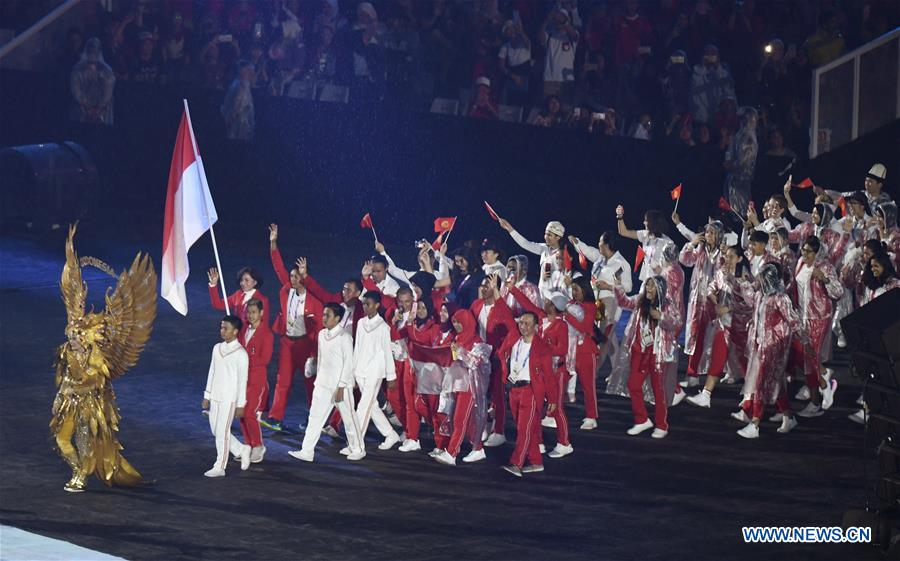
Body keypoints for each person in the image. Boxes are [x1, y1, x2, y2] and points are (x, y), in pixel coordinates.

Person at [52, 226, 154, 491]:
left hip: (90, 405)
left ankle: (81, 477)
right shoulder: (67, 350)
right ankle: (77, 469)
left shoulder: (95, 354)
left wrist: (75, 387)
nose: (73, 338)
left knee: (86, 442)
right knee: (62, 438)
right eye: (71, 334)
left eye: (76, 335)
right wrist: (61, 395)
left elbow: (97, 380)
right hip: (70, 401)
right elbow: (64, 374)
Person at [603, 276, 680, 438]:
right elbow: (624, 302)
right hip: (640, 351)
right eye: (647, 285)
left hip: (658, 353)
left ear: (660, 289)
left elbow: (677, 322)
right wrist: (618, 287)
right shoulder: (640, 300)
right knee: (633, 384)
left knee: (658, 390)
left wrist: (661, 316)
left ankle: (661, 425)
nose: (649, 288)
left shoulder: (666, 304)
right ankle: (642, 419)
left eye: (652, 285)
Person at [263, 225, 323, 432]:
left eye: (296, 277)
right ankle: (275, 418)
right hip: (288, 342)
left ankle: (315, 417)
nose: (292, 279)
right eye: (291, 276)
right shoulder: (286, 290)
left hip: (306, 345)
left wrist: (314, 355)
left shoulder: (314, 300)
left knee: (310, 384)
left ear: (303, 278)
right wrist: (273, 243)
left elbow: (319, 330)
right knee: (283, 380)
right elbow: (278, 267)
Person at [288, 303, 365, 462]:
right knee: (314, 418)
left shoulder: (345, 338)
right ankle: (307, 451)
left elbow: (348, 363)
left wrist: (342, 386)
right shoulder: (322, 335)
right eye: (323, 314)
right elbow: (322, 358)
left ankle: (358, 448)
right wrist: (315, 373)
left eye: (327, 315)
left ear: (337, 318)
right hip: (322, 384)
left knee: (349, 419)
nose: (323, 318)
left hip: (339, 387)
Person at [735, 264, 804, 438]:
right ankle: (789, 416)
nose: (758, 280)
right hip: (760, 345)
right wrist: (743, 284)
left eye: (761, 277)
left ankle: (755, 424)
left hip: (774, 348)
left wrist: (806, 343)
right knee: (775, 383)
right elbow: (750, 302)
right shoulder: (760, 295)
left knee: (761, 384)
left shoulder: (780, 298)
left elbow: (794, 321)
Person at [507, 287, 573, 458]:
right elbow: (526, 304)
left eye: (548, 301)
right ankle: (538, 442)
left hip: (555, 371)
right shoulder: (541, 318)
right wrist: (512, 289)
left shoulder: (561, 325)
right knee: (537, 408)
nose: (544, 302)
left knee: (556, 407)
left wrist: (543, 348)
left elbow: (563, 349)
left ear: (552, 306)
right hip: (538, 371)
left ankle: (564, 442)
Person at [686, 244, 755, 407]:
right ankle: (706, 395)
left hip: (740, 327)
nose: (727, 260)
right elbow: (711, 287)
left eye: (731, 257)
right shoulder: (721, 273)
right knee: (717, 357)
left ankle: (751, 397)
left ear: (739, 259)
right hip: (724, 325)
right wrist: (713, 298)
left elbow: (750, 303)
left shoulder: (744, 278)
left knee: (744, 361)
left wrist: (728, 307)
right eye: (726, 256)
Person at [496, 312, 557, 477]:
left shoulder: (542, 348)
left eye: (528, 323)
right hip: (513, 389)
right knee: (526, 428)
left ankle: (517, 463)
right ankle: (536, 462)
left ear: (536, 326)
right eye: (521, 323)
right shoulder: (514, 340)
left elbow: (549, 376)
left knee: (524, 429)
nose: (523, 326)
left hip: (530, 391)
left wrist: (552, 399)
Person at [434, 309, 492, 465]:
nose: (457, 325)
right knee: (467, 421)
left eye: (459, 322)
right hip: (456, 384)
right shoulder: (455, 338)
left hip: (470, 387)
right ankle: (478, 449)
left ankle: (452, 453)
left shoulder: (477, 341)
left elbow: (477, 362)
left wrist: (459, 352)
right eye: (454, 322)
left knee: (460, 419)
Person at [351, 292, 401, 452]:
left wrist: (391, 376)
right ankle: (391, 434)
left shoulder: (383, 327)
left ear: (377, 305)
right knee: (371, 406)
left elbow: (387, 352)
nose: (365, 307)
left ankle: (355, 444)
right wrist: (352, 372)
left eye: (368, 304)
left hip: (375, 372)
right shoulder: (360, 323)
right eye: (364, 304)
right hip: (360, 370)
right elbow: (357, 348)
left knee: (364, 407)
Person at [471, 274, 517, 447]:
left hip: (497, 356)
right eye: (482, 285)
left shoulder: (501, 308)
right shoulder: (476, 305)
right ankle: (484, 425)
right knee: (481, 394)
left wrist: (501, 353)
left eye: (488, 286)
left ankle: (499, 431)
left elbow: (512, 328)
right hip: (480, 356)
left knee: (498, 395)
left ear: (496, 289)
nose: (483, 289)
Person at [202, 315, 251, 477]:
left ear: (235, 332)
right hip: (215, 395)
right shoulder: (217, 348)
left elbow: (243, 381)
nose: (222, 331)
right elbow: (212, 371)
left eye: (225, 328)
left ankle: (220, 466)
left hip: (229, 399)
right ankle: (242, 449)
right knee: (216, 431)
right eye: (221, 327)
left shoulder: (241, 355)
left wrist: (240, 405)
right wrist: (207, 395)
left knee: (222, 432)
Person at [235, 300, 272, 464]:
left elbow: (265, 359)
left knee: (249, 412)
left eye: (254, 312)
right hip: (241, 378)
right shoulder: (243, 330)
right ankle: (248, 445)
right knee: (241, 413)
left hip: (256, 379)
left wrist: (246, 358)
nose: (250, 315)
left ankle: (258, 445)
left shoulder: (267, 334)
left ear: (261, 313)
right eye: (248, 312)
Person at [563, 275, 601, 430]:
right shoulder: (571, 304)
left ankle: (592, 417)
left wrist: (567, 316)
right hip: (569, 351)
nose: (574, 293)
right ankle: (553, 414)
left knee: (587, 386)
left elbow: (584, 327)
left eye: (576, 290)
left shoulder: (590, 306)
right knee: (559, 382)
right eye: (572, 290)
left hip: (585, 352)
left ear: (585, 290)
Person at [499, 217, 568, 296]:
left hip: (556, 297)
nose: (546, 237)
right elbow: (525, 244)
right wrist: (509, 228)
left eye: (549, 235)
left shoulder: (563, 255)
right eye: (545, 234)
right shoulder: (544, 248)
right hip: (542, 294)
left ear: (558, 237)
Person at [615, 206, 672, 282]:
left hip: (660, 282)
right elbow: (623, 232)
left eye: (646, 220)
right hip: (646, 281)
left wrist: (661, 271)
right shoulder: (645, 235)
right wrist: (620, 217)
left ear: (653, 223)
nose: (644, 222)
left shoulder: (667, 242)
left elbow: (673, 266)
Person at [817, 163, 891, 217]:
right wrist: (824, 192)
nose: (867, 183)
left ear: (879, 185)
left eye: (870, 181)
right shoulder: (861, 194)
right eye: (866, 180)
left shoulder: (884, 201)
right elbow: (842, 195)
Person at [70, 37, 115, 125]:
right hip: (81, 111)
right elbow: (76, 90)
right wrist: (87, 107)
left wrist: (99, 108)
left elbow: (108, 91)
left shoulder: (106, 71)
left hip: (103, 112)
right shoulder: (77, 70)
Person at [723, 107, 759, 216]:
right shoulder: (739, 134)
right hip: (733, 178)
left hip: (742, 179)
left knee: (740, 210)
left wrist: (732, 166)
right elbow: (729, 151)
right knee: (732, 208)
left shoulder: (750, 137)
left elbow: (745, 160)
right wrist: (728, 161)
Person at [539, 7, 579, 103]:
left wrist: (563, 20)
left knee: (567, 108)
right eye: (556, 19)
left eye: (562, 18)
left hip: (566, 80)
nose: (558, 21)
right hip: (550, 79)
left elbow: (575, 36)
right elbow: (540, 35)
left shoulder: (571, 35)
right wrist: (548, 19)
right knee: (547, 108)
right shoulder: (549, 35)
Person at [221, 60, 256, 141]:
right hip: (239, 123)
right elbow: (236, 105)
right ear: (242, 71)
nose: (252, 74)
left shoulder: (244, 84)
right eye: (249, 71)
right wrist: (232, 118)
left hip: (242, 122)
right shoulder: (239, 85)